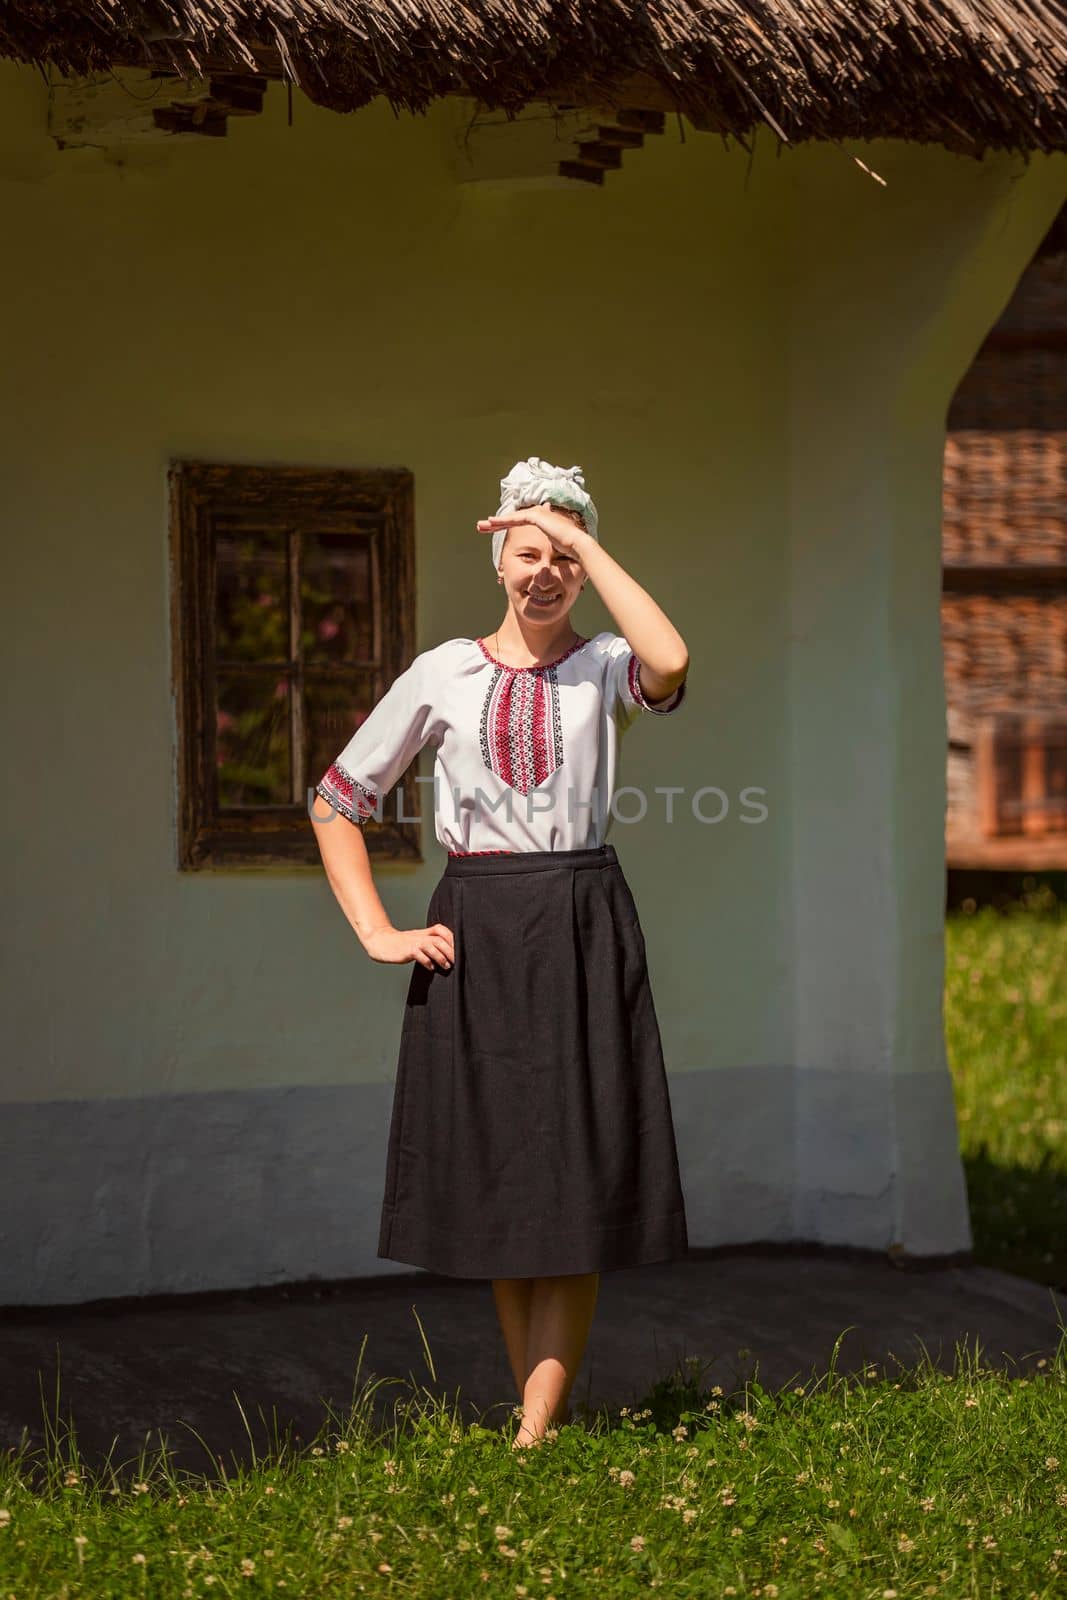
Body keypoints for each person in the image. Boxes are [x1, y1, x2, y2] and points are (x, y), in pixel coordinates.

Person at [310, 456, 690, 1449]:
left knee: (576, 1168)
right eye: (528, 553)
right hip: (473, 927)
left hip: (579, 919)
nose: (544, 573)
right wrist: (378, 932)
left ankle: (530, 1432)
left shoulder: (606, 664)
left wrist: (585, 539)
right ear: (496, 561)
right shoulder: (443, 671)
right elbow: (337, 798)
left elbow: (672, 657)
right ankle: (539, 1417)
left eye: (562, 556)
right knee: (502, 1175)